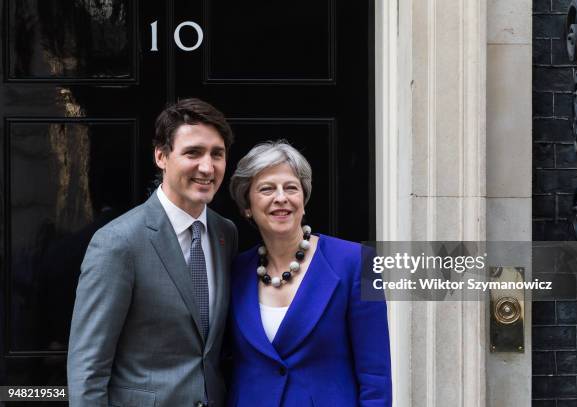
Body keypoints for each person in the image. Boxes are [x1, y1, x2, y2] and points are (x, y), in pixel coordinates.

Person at [67, 98, 238, 407]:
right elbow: (88, 367)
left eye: (217, 154)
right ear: (161, 156)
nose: (207, 167)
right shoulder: (118, 243)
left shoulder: (226, 233)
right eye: (193, 153)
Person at [227, 140, 391, 406]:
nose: (281, 198)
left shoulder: (359, 261)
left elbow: (375, 375)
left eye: (291, 188)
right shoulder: (235, 271)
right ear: (247, 205)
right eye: (267, 189)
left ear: (303, 200)